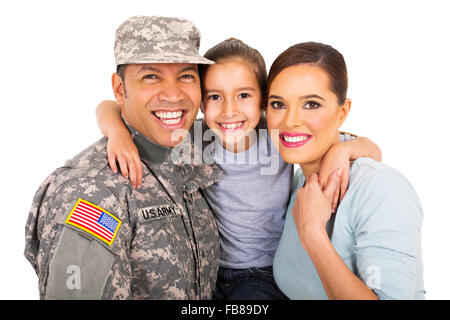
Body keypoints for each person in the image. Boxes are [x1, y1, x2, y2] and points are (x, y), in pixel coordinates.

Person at [96, 39, 382, 299]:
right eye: (215, 97)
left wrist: (344, 151)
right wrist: (117, 134)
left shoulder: (278, 135)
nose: (229, 110)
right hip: (210, 272)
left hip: (265, 274)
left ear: (264, 102)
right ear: (200, 104)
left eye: (244, 95)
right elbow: (108, 106)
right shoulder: (194, 137)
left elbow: (372, 149)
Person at [24, 15, 223, 300]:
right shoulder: (93, 193)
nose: (173, 94)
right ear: (120, 89)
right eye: (151, 76)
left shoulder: (189, 154)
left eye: (186, 76)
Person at [269, 42, 425, 299]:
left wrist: (313, 235)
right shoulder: (298, 181)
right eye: (277, 104)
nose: (290, 121)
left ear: (342, 112)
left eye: (311, 104)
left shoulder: (380, 189)